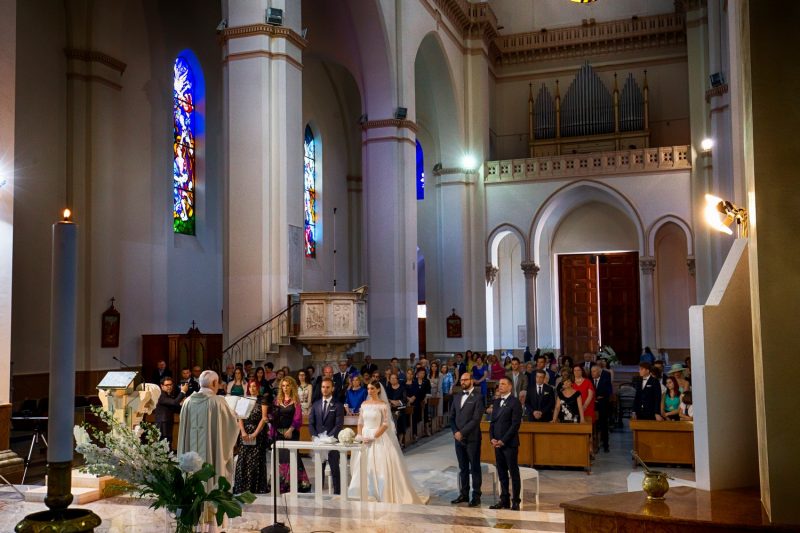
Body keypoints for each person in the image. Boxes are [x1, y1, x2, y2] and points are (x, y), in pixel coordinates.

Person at [348, 382, 430, 504]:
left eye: (372, 388)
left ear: (378, 390)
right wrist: (360, 436)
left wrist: (373, 437)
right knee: (363, 465)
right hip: (364, 437)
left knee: (381, 464)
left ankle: (382, 493)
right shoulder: (364, 404)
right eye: (368, 389)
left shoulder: (383, 405)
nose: (370, 391)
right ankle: (362, 492)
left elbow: (385, 424)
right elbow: (360, 422)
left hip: (378, 436)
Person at [177, 370, 239, 532]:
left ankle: (193, 523)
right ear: (214, 383)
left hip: (191, 458)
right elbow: (231, 427)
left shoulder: (187, 402)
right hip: (211, 458)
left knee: (193, 482)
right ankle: (212, 527)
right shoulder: (218, 402)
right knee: (211, 481)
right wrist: (235, 416)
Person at [450, 373, 484, 508]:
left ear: (472, 381)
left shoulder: (478, 397)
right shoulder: (457, 396)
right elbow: (451, 417)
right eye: (461, 380)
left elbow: (476, 419)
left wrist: (462, 433)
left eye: (465, 379)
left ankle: (476, 496)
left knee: (474, 467)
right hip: (458, 439)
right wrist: (455, 432)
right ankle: (464, 494)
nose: (463, 382)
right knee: (463, 467)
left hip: (472, 438)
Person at [488, 378, 522, 510]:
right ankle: (504, 500)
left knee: (513, 473)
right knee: (501, 473)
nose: (500, 386)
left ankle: (516, 501)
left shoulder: (515, 402)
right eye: (499, 384)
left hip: (509, 444)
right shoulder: (496, 402)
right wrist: (492, 438)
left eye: (503, 384)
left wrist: (503, 440)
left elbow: (515, 425)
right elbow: (492, 423)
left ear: (510, 387)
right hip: (497, 444)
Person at [272, 376, 311, 493]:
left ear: (292, 386)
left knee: (293, 457)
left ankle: (295, 483)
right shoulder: (277, 400)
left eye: (287, 385)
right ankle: (281, 483)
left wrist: (290, 430)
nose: (285, 388)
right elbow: (273, 416)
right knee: (281, 458)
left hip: (292, 433)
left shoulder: (296, 401)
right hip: (279, 434)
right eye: (283, 386)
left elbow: (298, 418)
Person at [308, 377, 345, 494]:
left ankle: (337, 492)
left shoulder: (338, 405)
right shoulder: (315, 404)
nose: (325, 389)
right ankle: (319, 491)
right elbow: (311, 423)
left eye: (328, 387)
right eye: (323, 387)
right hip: (318, 441)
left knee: (334, 468)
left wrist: (328, 438)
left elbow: (338, 425)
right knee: (319, 467)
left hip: (332, 441)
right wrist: (315, 436)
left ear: (332, 388)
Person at [233, 380, 270, 494]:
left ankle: (255, 487)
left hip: (258, 432)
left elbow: (264, 418)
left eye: (254, 386)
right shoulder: (244, 400)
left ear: (258, 388)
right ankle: (242, 486)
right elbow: (239, 417)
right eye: (250, 387)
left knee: (256, 459)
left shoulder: (262, 400)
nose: (252, 389)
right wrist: (243, 432)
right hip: (244, 432)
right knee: (243, 458)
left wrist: (255, 433)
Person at [154, 376, 187, 448]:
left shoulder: (169, 395)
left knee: (168, 444)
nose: (169, 387)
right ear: (162, 386)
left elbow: (174, 407)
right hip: (162, 425)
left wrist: (181, 403)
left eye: (171, 384)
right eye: (167, 385)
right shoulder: (161, 396)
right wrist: (183, 392)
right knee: (163, 446)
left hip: (168, 423)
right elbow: (174, 402)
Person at [591, 364, 613, 452]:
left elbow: (608, 392)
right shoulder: (590, 380)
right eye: (592, 371)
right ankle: (594, 445)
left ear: (599, 372)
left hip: (603, 406)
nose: (592, 373)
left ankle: (606, 445)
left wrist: (597, 397)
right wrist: (597, 397)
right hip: (592, 406)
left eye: (594, 371)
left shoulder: (605, 380)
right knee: (594, 426)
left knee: (604, 425)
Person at [407, 367, 431, 440]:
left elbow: (428, 391)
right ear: (417, 373)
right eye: (420, 373)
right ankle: (415, 431)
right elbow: (414, 392)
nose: (422, 374)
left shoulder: (426, 381)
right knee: (415, 410)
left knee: (425, 411)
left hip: (424, 399)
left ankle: (426, 429)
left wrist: (425, 398)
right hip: (415, 399)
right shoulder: (414, 381)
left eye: (423, 373)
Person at [385, 373, 407, 446]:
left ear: (397, 379)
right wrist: (392, 402)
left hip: (400, 408)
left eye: (395, 378)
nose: (393, 380)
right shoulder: (388, 388)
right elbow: (386, 398)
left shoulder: (402, 388)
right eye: (391, 378)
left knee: (400, 419)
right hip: (390, 408)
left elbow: (404, 399)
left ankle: (400, 441)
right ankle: (392, 441)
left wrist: (397, 402)